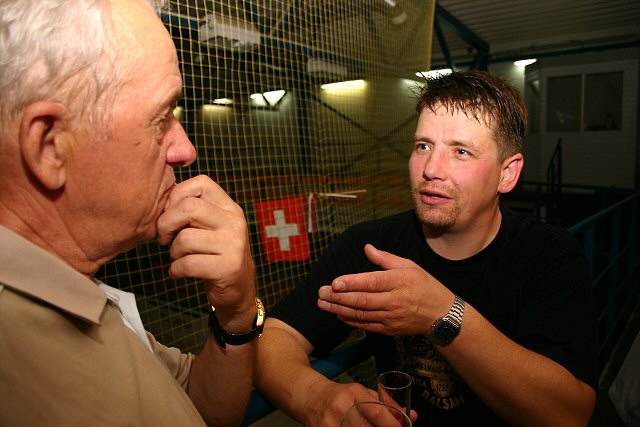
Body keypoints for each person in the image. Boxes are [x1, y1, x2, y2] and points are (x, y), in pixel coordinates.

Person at [255, 70, 598, 426]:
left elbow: (570, 415)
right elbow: (274, 336)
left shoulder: (549, 256)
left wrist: (442, 313)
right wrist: (317, 398)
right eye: (423, 146)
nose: (431, 169)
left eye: (461, 152)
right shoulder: (370, 247)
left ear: (507, 173)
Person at [0, 1, 260, 426]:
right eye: (161, 119)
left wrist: (237, 312)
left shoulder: (74, 290)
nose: (186, 150)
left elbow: (198, 404)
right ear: (49, 146)